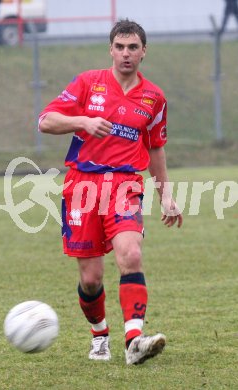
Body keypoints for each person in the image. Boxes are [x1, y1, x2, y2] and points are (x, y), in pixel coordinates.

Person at [39, 19, 183, 365]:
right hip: (82, 186)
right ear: (110, 50)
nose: (126, 54)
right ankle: (100, 334)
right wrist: (82, 122)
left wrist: (166, 195)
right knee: (91, 279)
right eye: (119, 47)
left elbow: (156, 149)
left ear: (143, 51)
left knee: (131, 255)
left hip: (124, 185)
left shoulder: (154, 98)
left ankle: (134, 341)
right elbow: (45, 120)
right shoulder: (88, 84)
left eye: (133, 47)